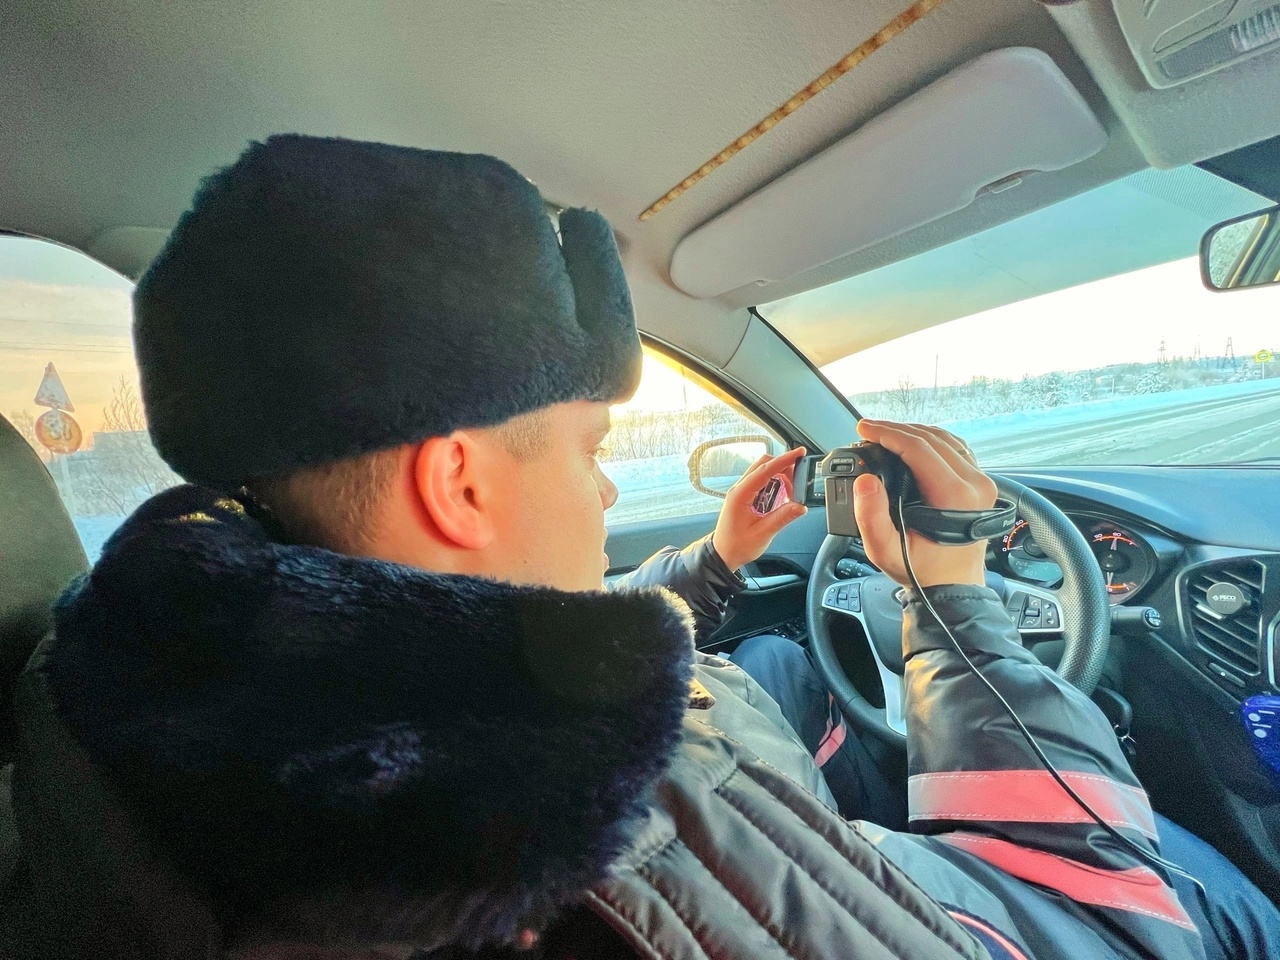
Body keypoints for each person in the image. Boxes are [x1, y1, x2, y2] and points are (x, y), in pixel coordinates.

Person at [6, 134, 1276, 959]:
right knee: (1214, 886)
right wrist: (949, 602)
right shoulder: (627, 830)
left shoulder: (162, 685)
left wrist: (714, 566)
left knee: (779, 668)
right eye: (586, 448)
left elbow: (509, 631)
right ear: (457, 482)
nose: (608, 487)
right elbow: (1114, 913)